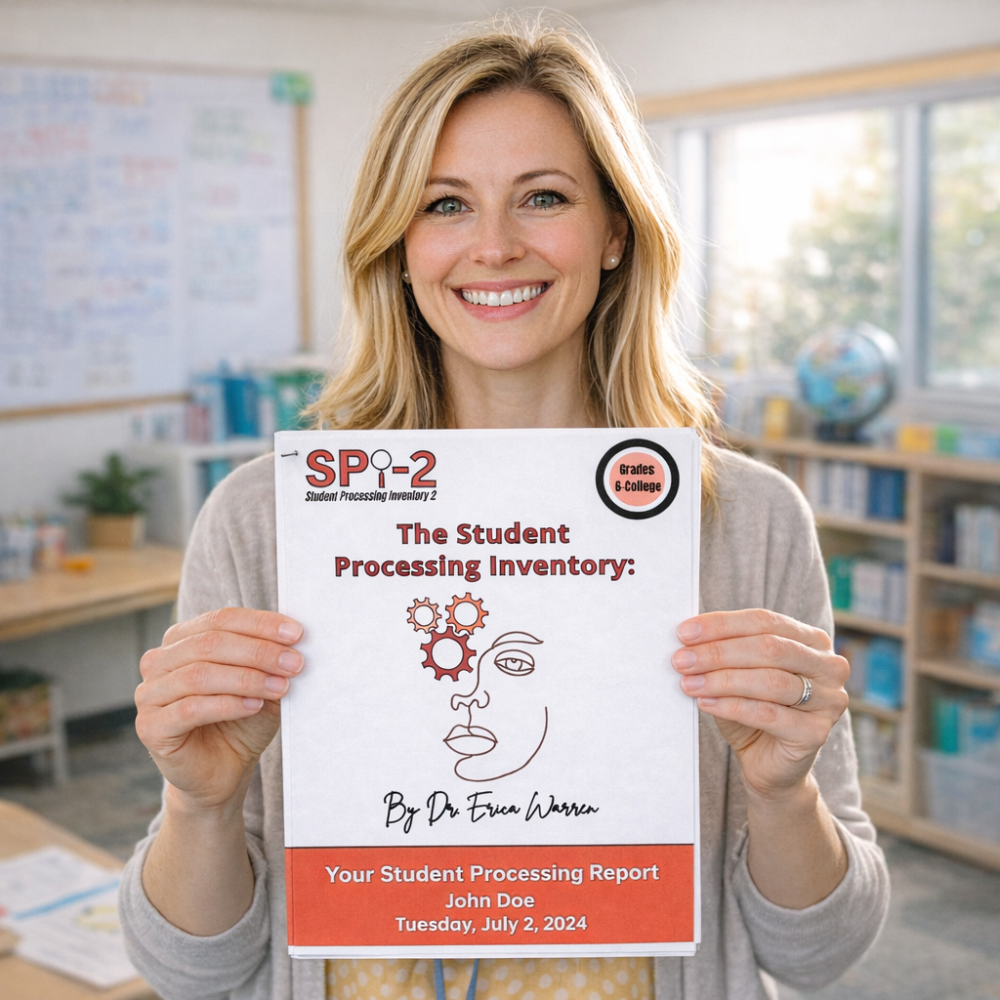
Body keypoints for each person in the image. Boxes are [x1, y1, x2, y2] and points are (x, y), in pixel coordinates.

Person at [120, 17, 889, 1000]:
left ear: (614, 230)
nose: (492, 246)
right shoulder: (267, 522)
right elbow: (194, 969)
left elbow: (819, 954)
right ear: (398, 244)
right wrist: (198, 804)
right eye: (446, 204)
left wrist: (783, 795)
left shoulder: (745, 520)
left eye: (543, 197)